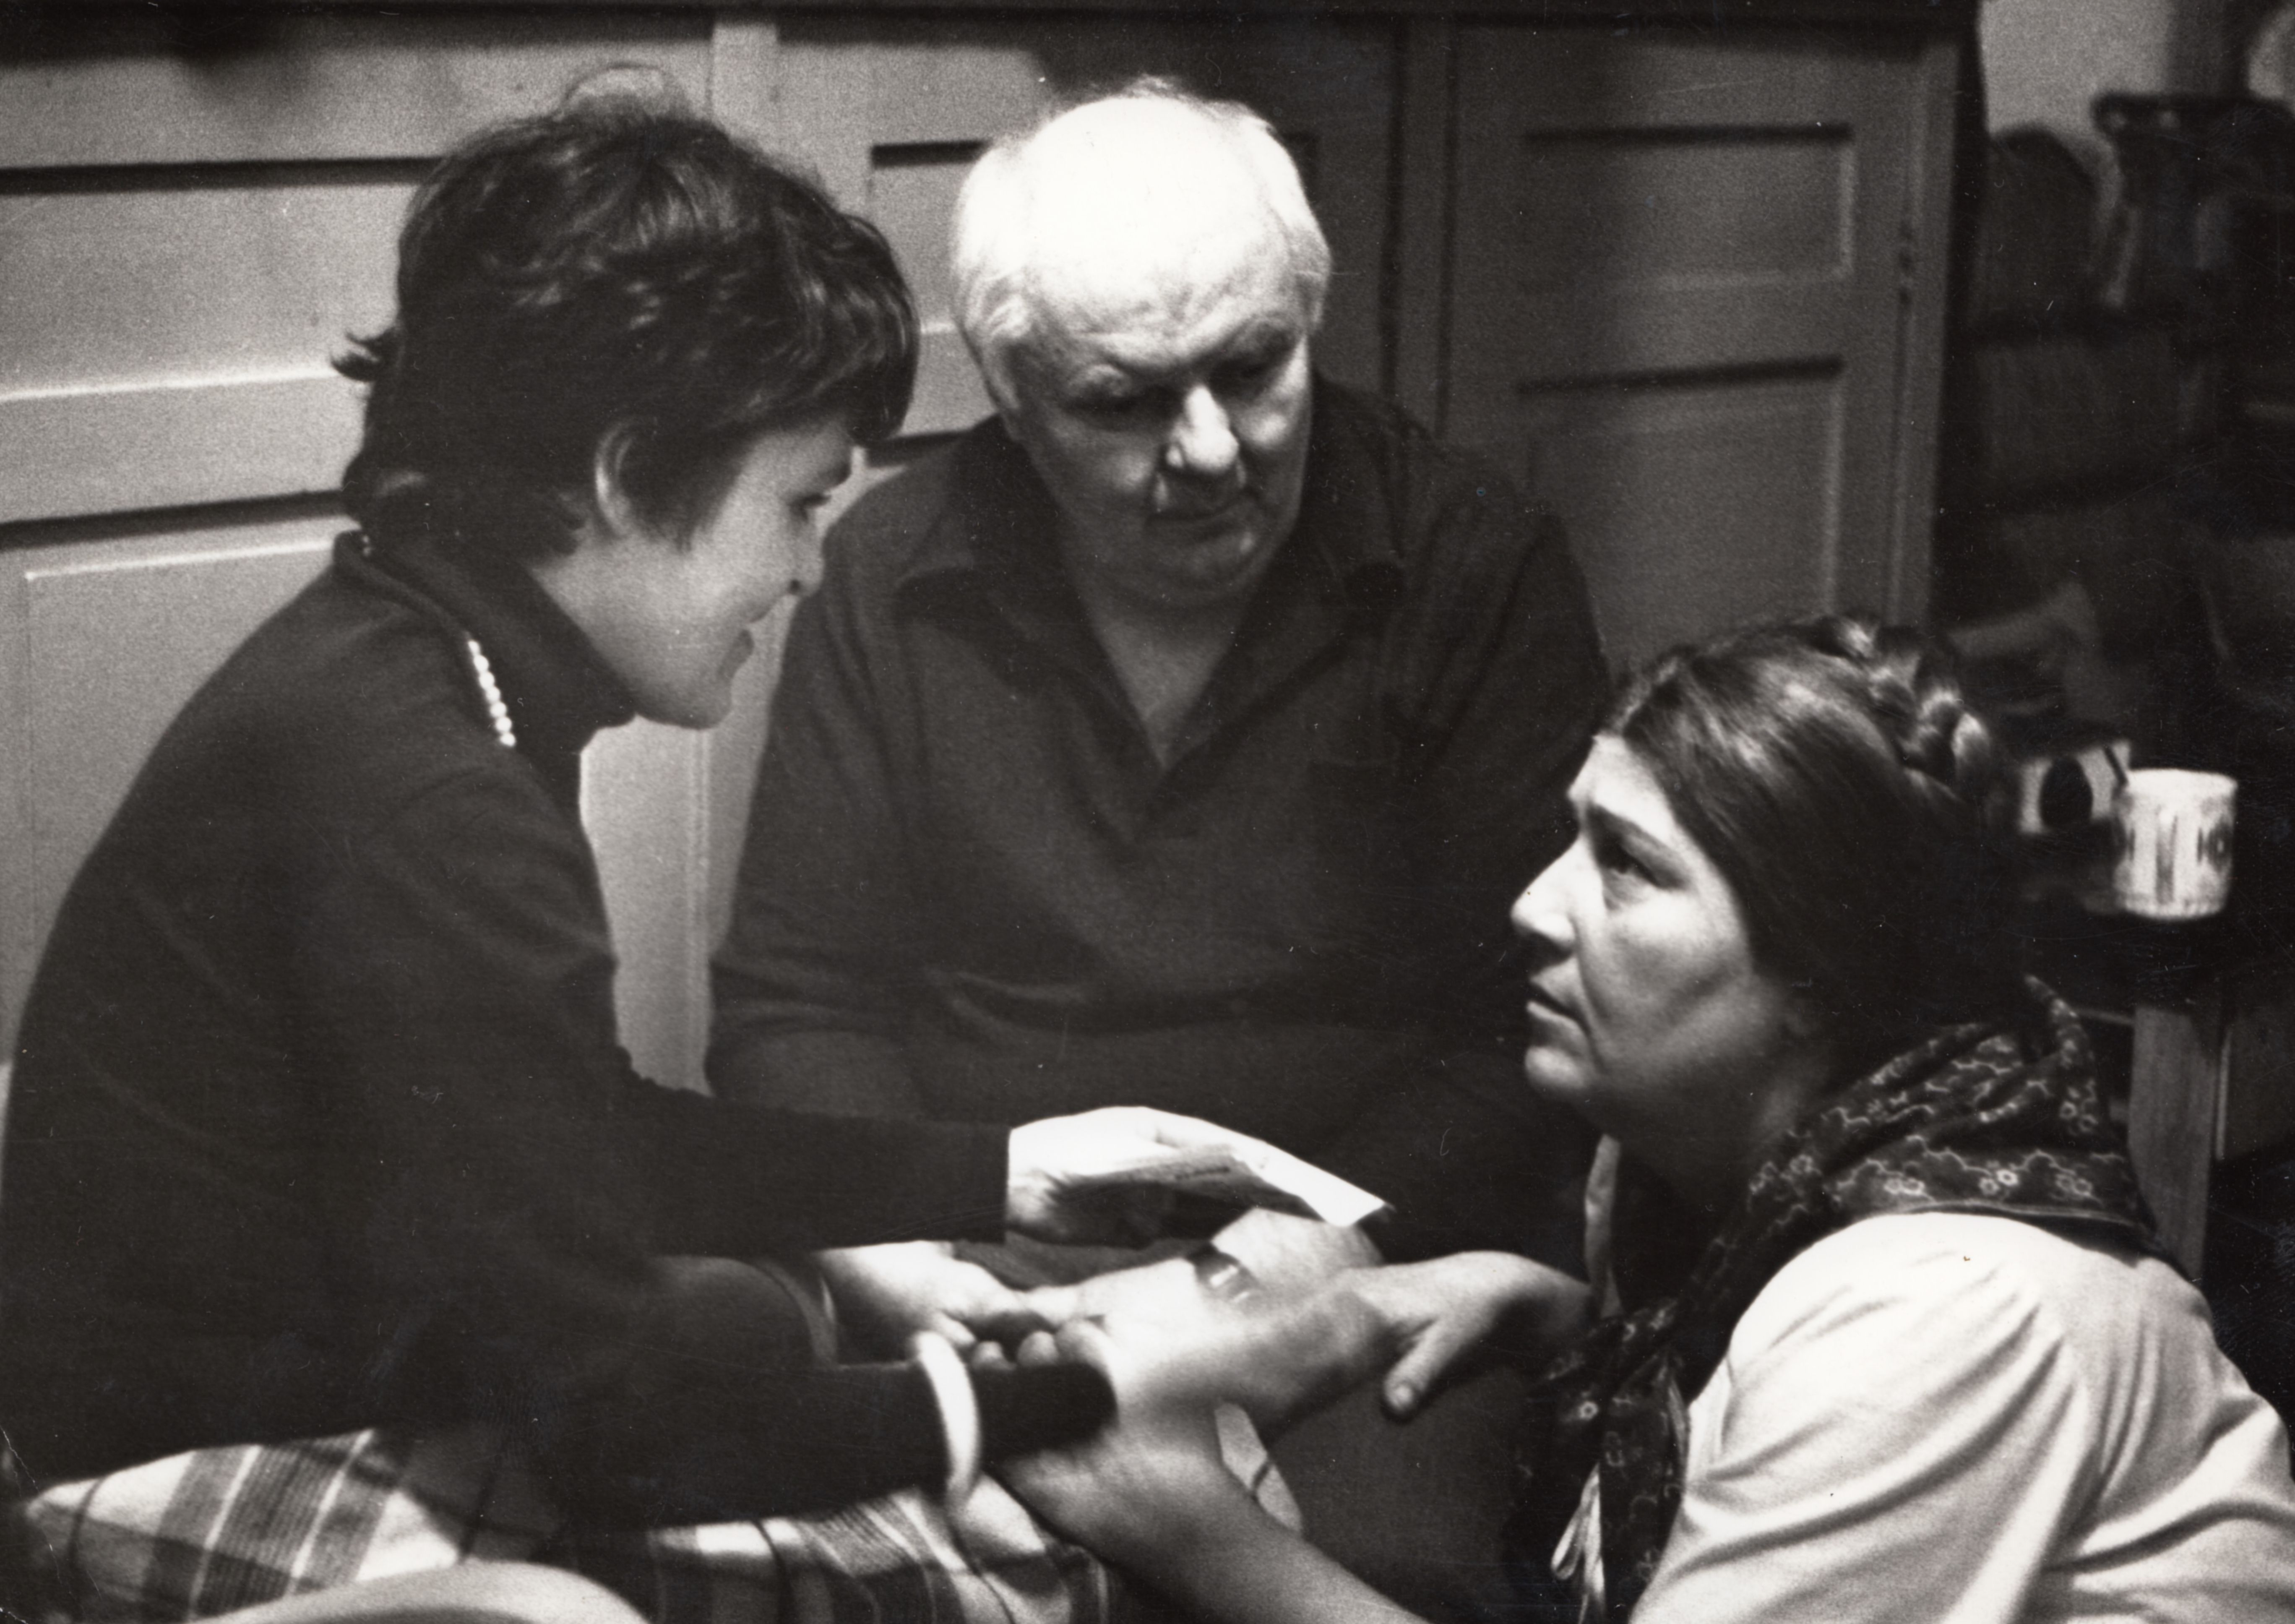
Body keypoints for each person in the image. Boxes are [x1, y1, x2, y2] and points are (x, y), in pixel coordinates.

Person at [0, 96, 1294, 1624]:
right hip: (175, 1467)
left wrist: (1009, 1174)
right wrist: (1078, 1394)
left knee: (770, 1326)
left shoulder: (419, 656)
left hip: (285, 1369)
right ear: (627, 477)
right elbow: (621, 1437)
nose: (806, 569)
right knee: (1053, 1572)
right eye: (798, 501)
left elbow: (565, 1134)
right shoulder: (435, 794)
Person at [999, 617, 2295, 1623]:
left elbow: (1851, 1364)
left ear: (1819, 969)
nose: (1535, 907)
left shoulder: (1951, 1307)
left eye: (1627, 866)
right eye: (1576, 840)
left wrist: (1187, 1526)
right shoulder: (1713, 1157)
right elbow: (1757, 1386)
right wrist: (1543, 1307)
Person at [708, 77, 1609, 1348]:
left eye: (1253, 369)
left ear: (1310, 320)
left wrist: (1287, 1267)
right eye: (1122, 402)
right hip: (970, 1251)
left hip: (1365, 1256)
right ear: (1014, 400)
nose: (1211, 451)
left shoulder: (1472, 560)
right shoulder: (893, 569)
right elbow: (798, 1007)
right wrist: (907, 1253)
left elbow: (1532, 1025)